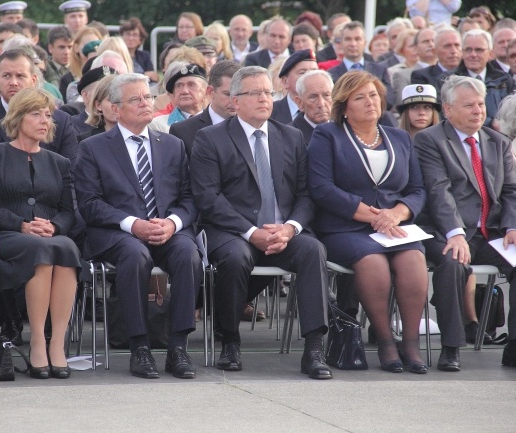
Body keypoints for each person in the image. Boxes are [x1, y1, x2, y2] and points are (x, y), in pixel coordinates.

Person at [190, 66, 332, 379]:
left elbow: (306, 195)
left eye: (268, 92)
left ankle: (314, 348)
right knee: (236, 257)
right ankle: (229, 340)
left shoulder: (290, 136)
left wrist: (290, 228)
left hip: (282, 232)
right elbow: (208, 197)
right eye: (254, 92)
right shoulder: (210, 138)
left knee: (313, 250)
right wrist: (252, 232)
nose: (264, 98)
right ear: (235, 102)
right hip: (233, 233)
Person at [75, 73, 202, 379]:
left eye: (147, 97)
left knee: (188, 254)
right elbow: (89, 204)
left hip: (166, 230)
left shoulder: (172, 145)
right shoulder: (93, 148)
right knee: (135, 256)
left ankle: (177, 347)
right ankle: (139, 347)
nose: (146, 103)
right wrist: (134, 225)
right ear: (115, 110)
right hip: (119, 232)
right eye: (136, 99)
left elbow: (190, 199)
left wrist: (172, 224)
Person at [308, 71, 428, 373]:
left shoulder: (400, 138)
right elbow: (322, 188)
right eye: (359, 97)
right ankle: (386, 342)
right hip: (345, 227)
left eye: (373, 95)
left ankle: (410, 344)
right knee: (373, 264)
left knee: (413, 260)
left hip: (393, 225)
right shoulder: (327, 135)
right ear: (344, 106)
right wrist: (375, 216)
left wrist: (395, 214)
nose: (369, 102)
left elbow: (416, 190)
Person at [0, 88, 80, 379]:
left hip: (47, 235)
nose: (44, 120)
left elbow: (69, 211)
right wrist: (21, 223)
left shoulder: (60, 163)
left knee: (67, 247)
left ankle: (56, 343)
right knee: (41, 250)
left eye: (47, 115)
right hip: (6, 235)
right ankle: (36, 342)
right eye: (36, 114)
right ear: (18, 118)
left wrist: (54, 226)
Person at [414, 75, 516, 370]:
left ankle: (514, 346)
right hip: (444, 231)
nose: (478, 110)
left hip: (490, 232)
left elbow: (511, 191)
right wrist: (454, 233)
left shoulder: (497, 142)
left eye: (481, 104)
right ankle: (452, 346)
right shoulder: (430, 140)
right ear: (447, 109)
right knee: (452, 265)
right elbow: (438, 190)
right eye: (469, 105)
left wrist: (511, 226)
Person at [0, 47, 77, 175]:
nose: (13, 82)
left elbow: (70, 174)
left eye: (20, 76)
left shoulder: (60, 121)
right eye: (7, 76)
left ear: (33, 80)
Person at [442, 29, 514, 128]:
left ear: (490, 54)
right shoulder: (449, 81)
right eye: (468, 50)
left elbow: (512, 114)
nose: (473, 55)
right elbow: (445, 115)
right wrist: (491, 123)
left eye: (479, 50)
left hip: (502, 137)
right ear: (462, 53)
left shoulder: (504, 79)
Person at [169, 60, 240, 157]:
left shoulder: (252, 125)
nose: (234, 101)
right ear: (210, 92)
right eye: (228, 94)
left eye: (239, 95)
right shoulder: (182, 131)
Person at [328, 21, 395, 109]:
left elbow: (389, 101)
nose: (353, 44)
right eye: (348, 39)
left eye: (357, 39)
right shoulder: (331, 74)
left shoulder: (380, 71)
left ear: (365, 42)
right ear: (341, 43)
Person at [149, 62, 207, 133]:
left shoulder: (217, 121)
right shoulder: (157, 125)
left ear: (206, 91)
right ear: (173, 93)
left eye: (191, 85)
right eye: (179, 86)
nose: (184, 91)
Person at [271, 49, 318, 124]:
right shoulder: (271, 111)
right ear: (285, 82)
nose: (310, 77)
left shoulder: (328, 110)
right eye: (302, 73)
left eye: (314, 72)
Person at [411, 27, 461, 96]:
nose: (453, 51)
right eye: (447, 46)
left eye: (457, 45)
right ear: (435, 51)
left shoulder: (469, 74)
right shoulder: (422, 77)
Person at [291, 70, 334, 143]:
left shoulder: (344, 129)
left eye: (326, 95)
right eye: (313, 97)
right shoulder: (289, 137)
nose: (321, 104)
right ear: (300, 103)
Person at [77, 74, 118, 141]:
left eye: (120, 100)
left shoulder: (139, 135)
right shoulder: (87, 141)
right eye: (111, 100)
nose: (116, 105)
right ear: (98, 105)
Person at [120, 17, 158, 83]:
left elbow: (154, 77)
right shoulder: (116, 55)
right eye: (128, 34)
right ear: (122, 36)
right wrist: (144, 75)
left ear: (140, 40)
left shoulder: (145, 56)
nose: (131, 38)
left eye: (135, 35)